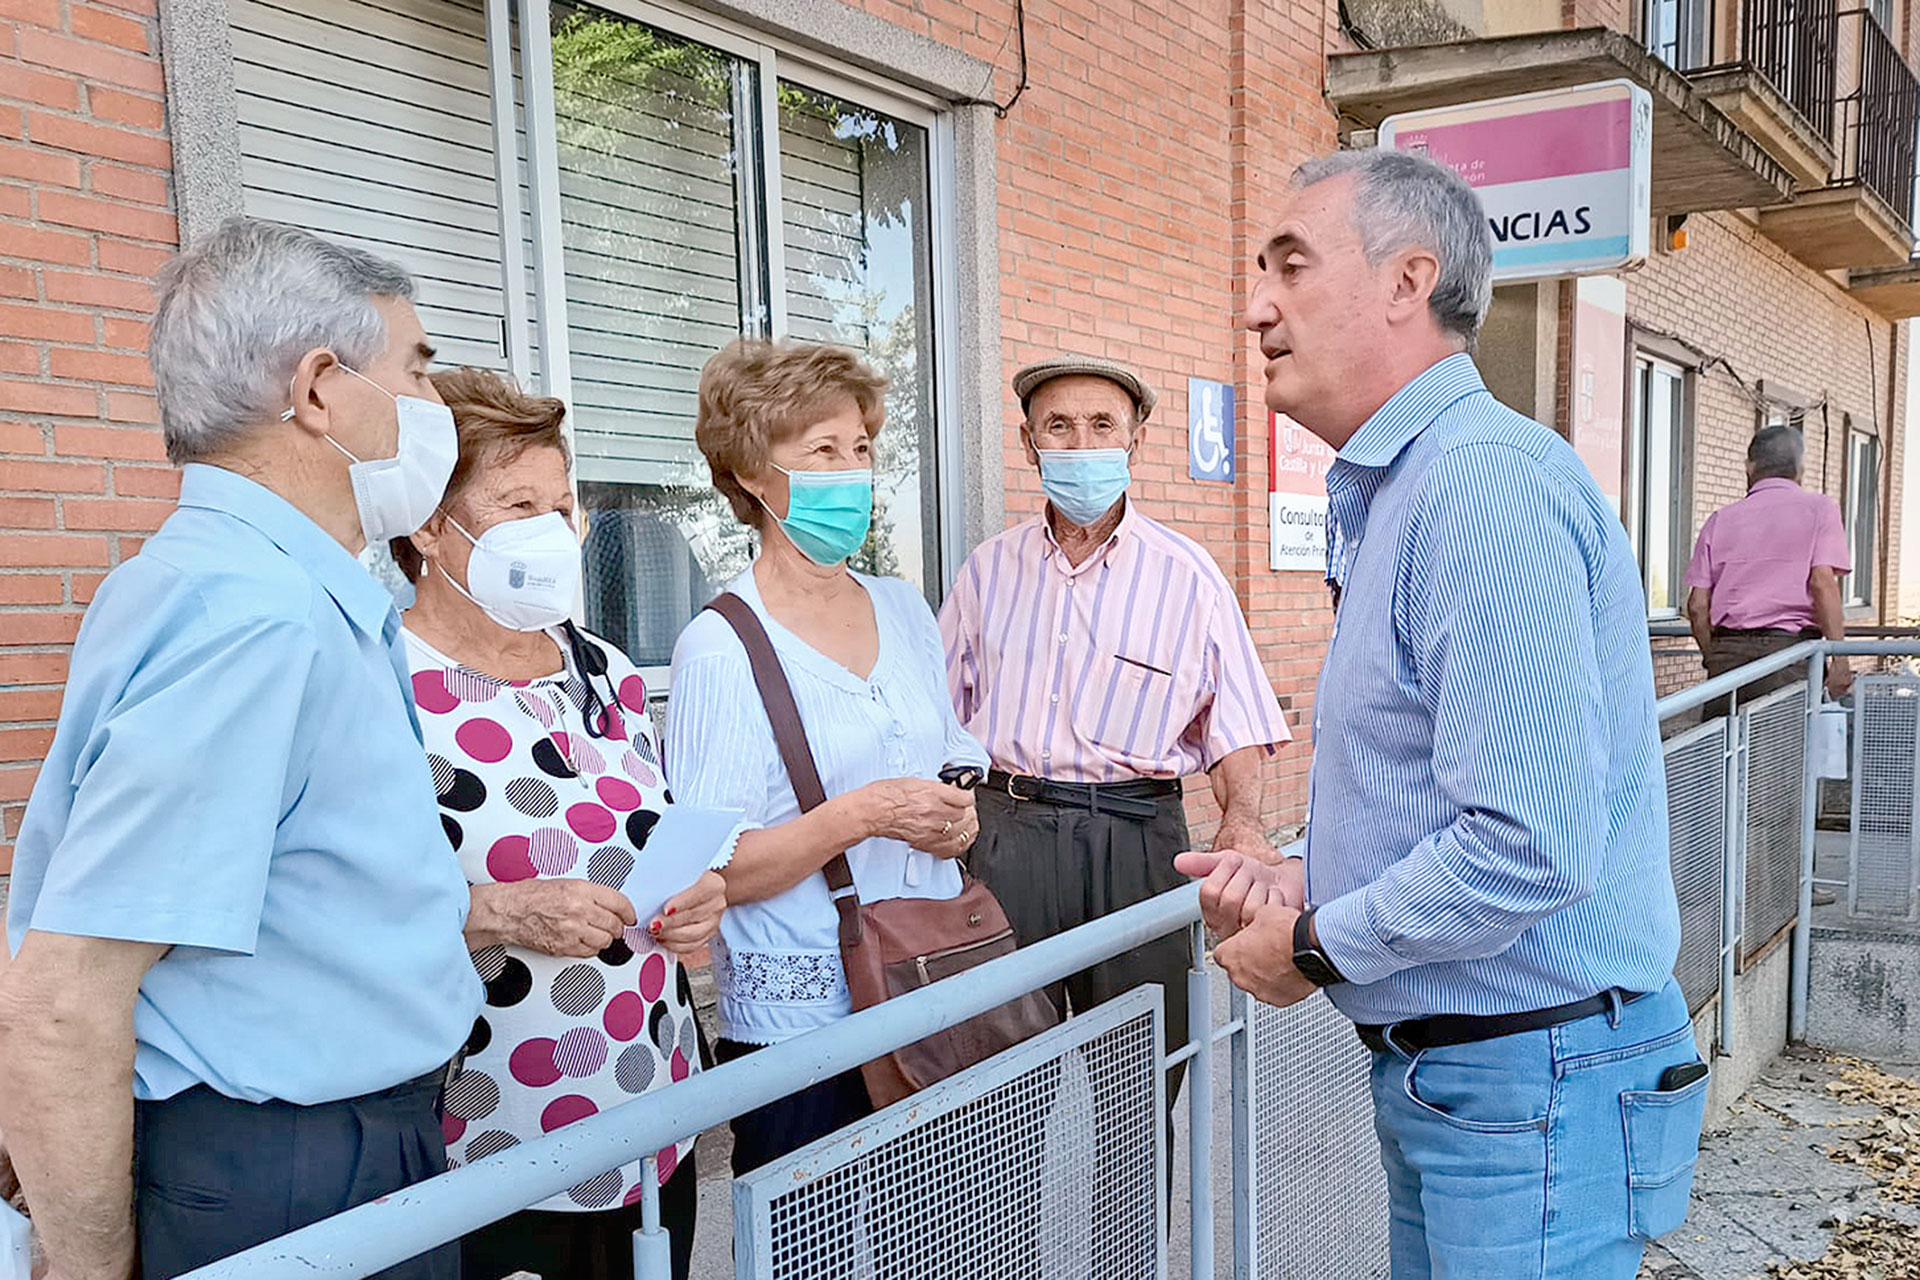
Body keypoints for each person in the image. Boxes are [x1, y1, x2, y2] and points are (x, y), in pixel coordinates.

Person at [1181, 149, 1707, 1279]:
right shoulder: (1414, 484)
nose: (1257, 304)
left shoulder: (1474, 485)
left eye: (1290, 263)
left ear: (1406, 282)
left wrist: (1316, 941)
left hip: (1533, 1082)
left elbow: (1528, 841)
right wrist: (1315, 873)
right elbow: (1445, 785)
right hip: (1492, 1084)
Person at [0, 218, 479, 1280]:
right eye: (417, 366)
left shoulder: (257, 588)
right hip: (286, 1170)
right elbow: (67, 993)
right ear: (318, 389)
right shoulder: (251, 617)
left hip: (331, 1146)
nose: (436, 405)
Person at [394, 367, 727, 1280]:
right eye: (516, 505)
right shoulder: (381, 684)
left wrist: (703, 893)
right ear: (428, 525)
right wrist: (499, 913)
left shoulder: (608, 671)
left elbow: (646, 839)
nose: (554, 528)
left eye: (562, 502)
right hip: (489, 1133)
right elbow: (336, 901)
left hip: (649, 1113)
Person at [665, 338, 988, 1177]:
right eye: (821, 451)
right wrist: (869, 813)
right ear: (747, 474)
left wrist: (956, 819)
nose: (852, 473)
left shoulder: (904, 606)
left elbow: (950, 753)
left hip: (931, 985)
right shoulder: (722, 646)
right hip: (805, 1036)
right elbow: (715, 870)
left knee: (959, 1248)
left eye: (862, 449)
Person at [938, 354, 1289, 1092]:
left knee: (1140, 1088)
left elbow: (1236, 723)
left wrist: (1243, 823)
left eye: (1102, 426)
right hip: (1008, 838)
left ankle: (1134, 1214)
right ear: (1029, 444)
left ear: (1134, 443)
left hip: (1136, 845)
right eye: (1059, 427)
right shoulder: (986, 572)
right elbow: (937, 722)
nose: (1082, 444)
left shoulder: (1187, 575)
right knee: (996, 1091)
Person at [1685, 424, 1853, 702]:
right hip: (1789, 656)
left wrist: (1712, 655)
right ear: (1800, 469)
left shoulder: (1720, 520)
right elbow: (1822, 583)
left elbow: (1697, 606)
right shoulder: (1821, 510)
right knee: (1783, 744)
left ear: (1749, 468)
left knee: (1725, 743)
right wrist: (1840, 660)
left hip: (1728, 655)